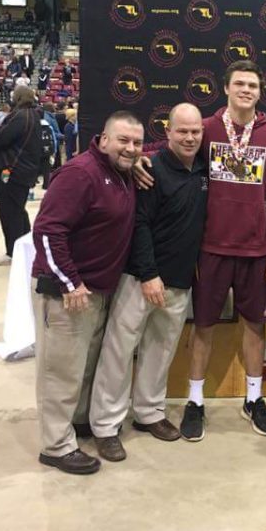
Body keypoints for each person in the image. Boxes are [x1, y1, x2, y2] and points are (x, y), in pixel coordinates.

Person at [136, 61, 266, 439]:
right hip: (210, 249)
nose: (246, 90)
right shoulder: (206, 129)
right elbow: (176, 142)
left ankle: (254, 400)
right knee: (203, 326)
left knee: (255, 325)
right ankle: (195, 401)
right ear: (226, 88)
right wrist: (143, 158)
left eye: (253, 85)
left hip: (256, 250)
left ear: (260, 92)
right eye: (239, 83)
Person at [89, 104, 208, 462]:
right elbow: (138, 224)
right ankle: (107, 426)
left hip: (179, 281)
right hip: (141, 278)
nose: (189, 138)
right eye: (182, 131)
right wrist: (148, 273)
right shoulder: (150, 168)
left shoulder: (204, 169)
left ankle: (150, 413)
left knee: (161, 350)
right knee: (119, 352)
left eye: (195, 132)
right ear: (167, 132)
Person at [32, 111, 144, 475]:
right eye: (123, 140)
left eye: (137, 142)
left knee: (82, 368)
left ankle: (76, 424)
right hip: (67, 293)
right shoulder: (81, 174)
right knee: (60, 371)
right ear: (103, 139)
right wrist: (69, 282)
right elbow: (48, 231)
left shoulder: (122, 171)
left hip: (96, 291)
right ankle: (56, 446)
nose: (130, 148)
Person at [0, 85, 43, 265]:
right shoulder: (33, 114)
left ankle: (13, 252)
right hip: (24, 171)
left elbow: (1, 139)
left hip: (13, 171)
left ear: (17, 97)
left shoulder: (20, 116)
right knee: (18, 211)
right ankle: (25, 248)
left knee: (9, 212)